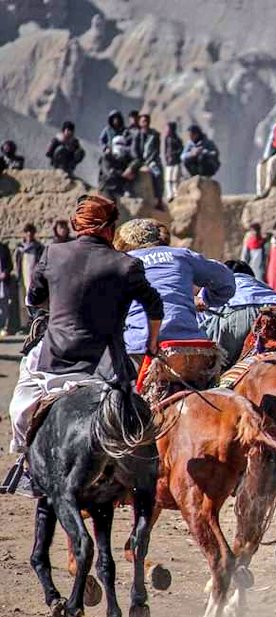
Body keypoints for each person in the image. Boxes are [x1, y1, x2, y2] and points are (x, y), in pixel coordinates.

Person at [8, 195, 163, 461]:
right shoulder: (126, 264)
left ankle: (25, 454)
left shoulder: (53, 253)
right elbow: (155, 307)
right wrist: (152, 343)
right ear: (108, 229)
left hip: (55, 357)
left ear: (77, 225)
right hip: (106, 362)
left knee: (20, 402)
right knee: (140, 420)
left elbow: (33, 299)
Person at [114, 218, 235, 360]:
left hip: (138, 346)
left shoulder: (119, 263)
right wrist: (206, 299)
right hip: (189, 345)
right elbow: (225, 280)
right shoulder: (182, 255)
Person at [200, 260, 276, 367]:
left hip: (233, 314)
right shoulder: (260, 285)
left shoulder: (217, 286)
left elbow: (200, 317)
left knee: (217, 368)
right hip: (274, 311)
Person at [15, 223, 45, 328]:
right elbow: (17, 263)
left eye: (31, 232)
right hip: (23, 276)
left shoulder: (39, 248)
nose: (29, 234)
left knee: (34, 300)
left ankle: (36, 322)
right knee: (23, 301)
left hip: (34, 278)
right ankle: (24, 325)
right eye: (27, 232)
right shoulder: (20, 249)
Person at [133, 114, 163, 207]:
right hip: (139, 161)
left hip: (151, 161)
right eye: (143, 121)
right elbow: (134, 149)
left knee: (157, 173)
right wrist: (140, 161)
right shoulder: (137, 135)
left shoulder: (154, 134)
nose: (144, 122)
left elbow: (156, 150)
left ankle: (158, 199)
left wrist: (149, 162)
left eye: (146, 120)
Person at [98, 135, 140, 199]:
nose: (120, 147)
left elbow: (137, 161)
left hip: (120, 188)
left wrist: (131, 168)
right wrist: (124, 174)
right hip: (107, 187)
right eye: (117, 144)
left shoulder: (125, 158)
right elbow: (109, 173)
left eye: (122, 144)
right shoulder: (106, 157)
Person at [163, 122, 184, 200]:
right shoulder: (166, 139)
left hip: (176, 162)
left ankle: (175, 194)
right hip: (169, 162)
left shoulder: (177, 140)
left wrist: (174, 154)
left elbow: (181, 149)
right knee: (168, 179)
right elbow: (165, 149)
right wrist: (166, 156)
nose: (166, 130)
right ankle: (169, 195)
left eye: (167, 128)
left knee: (175, 179)